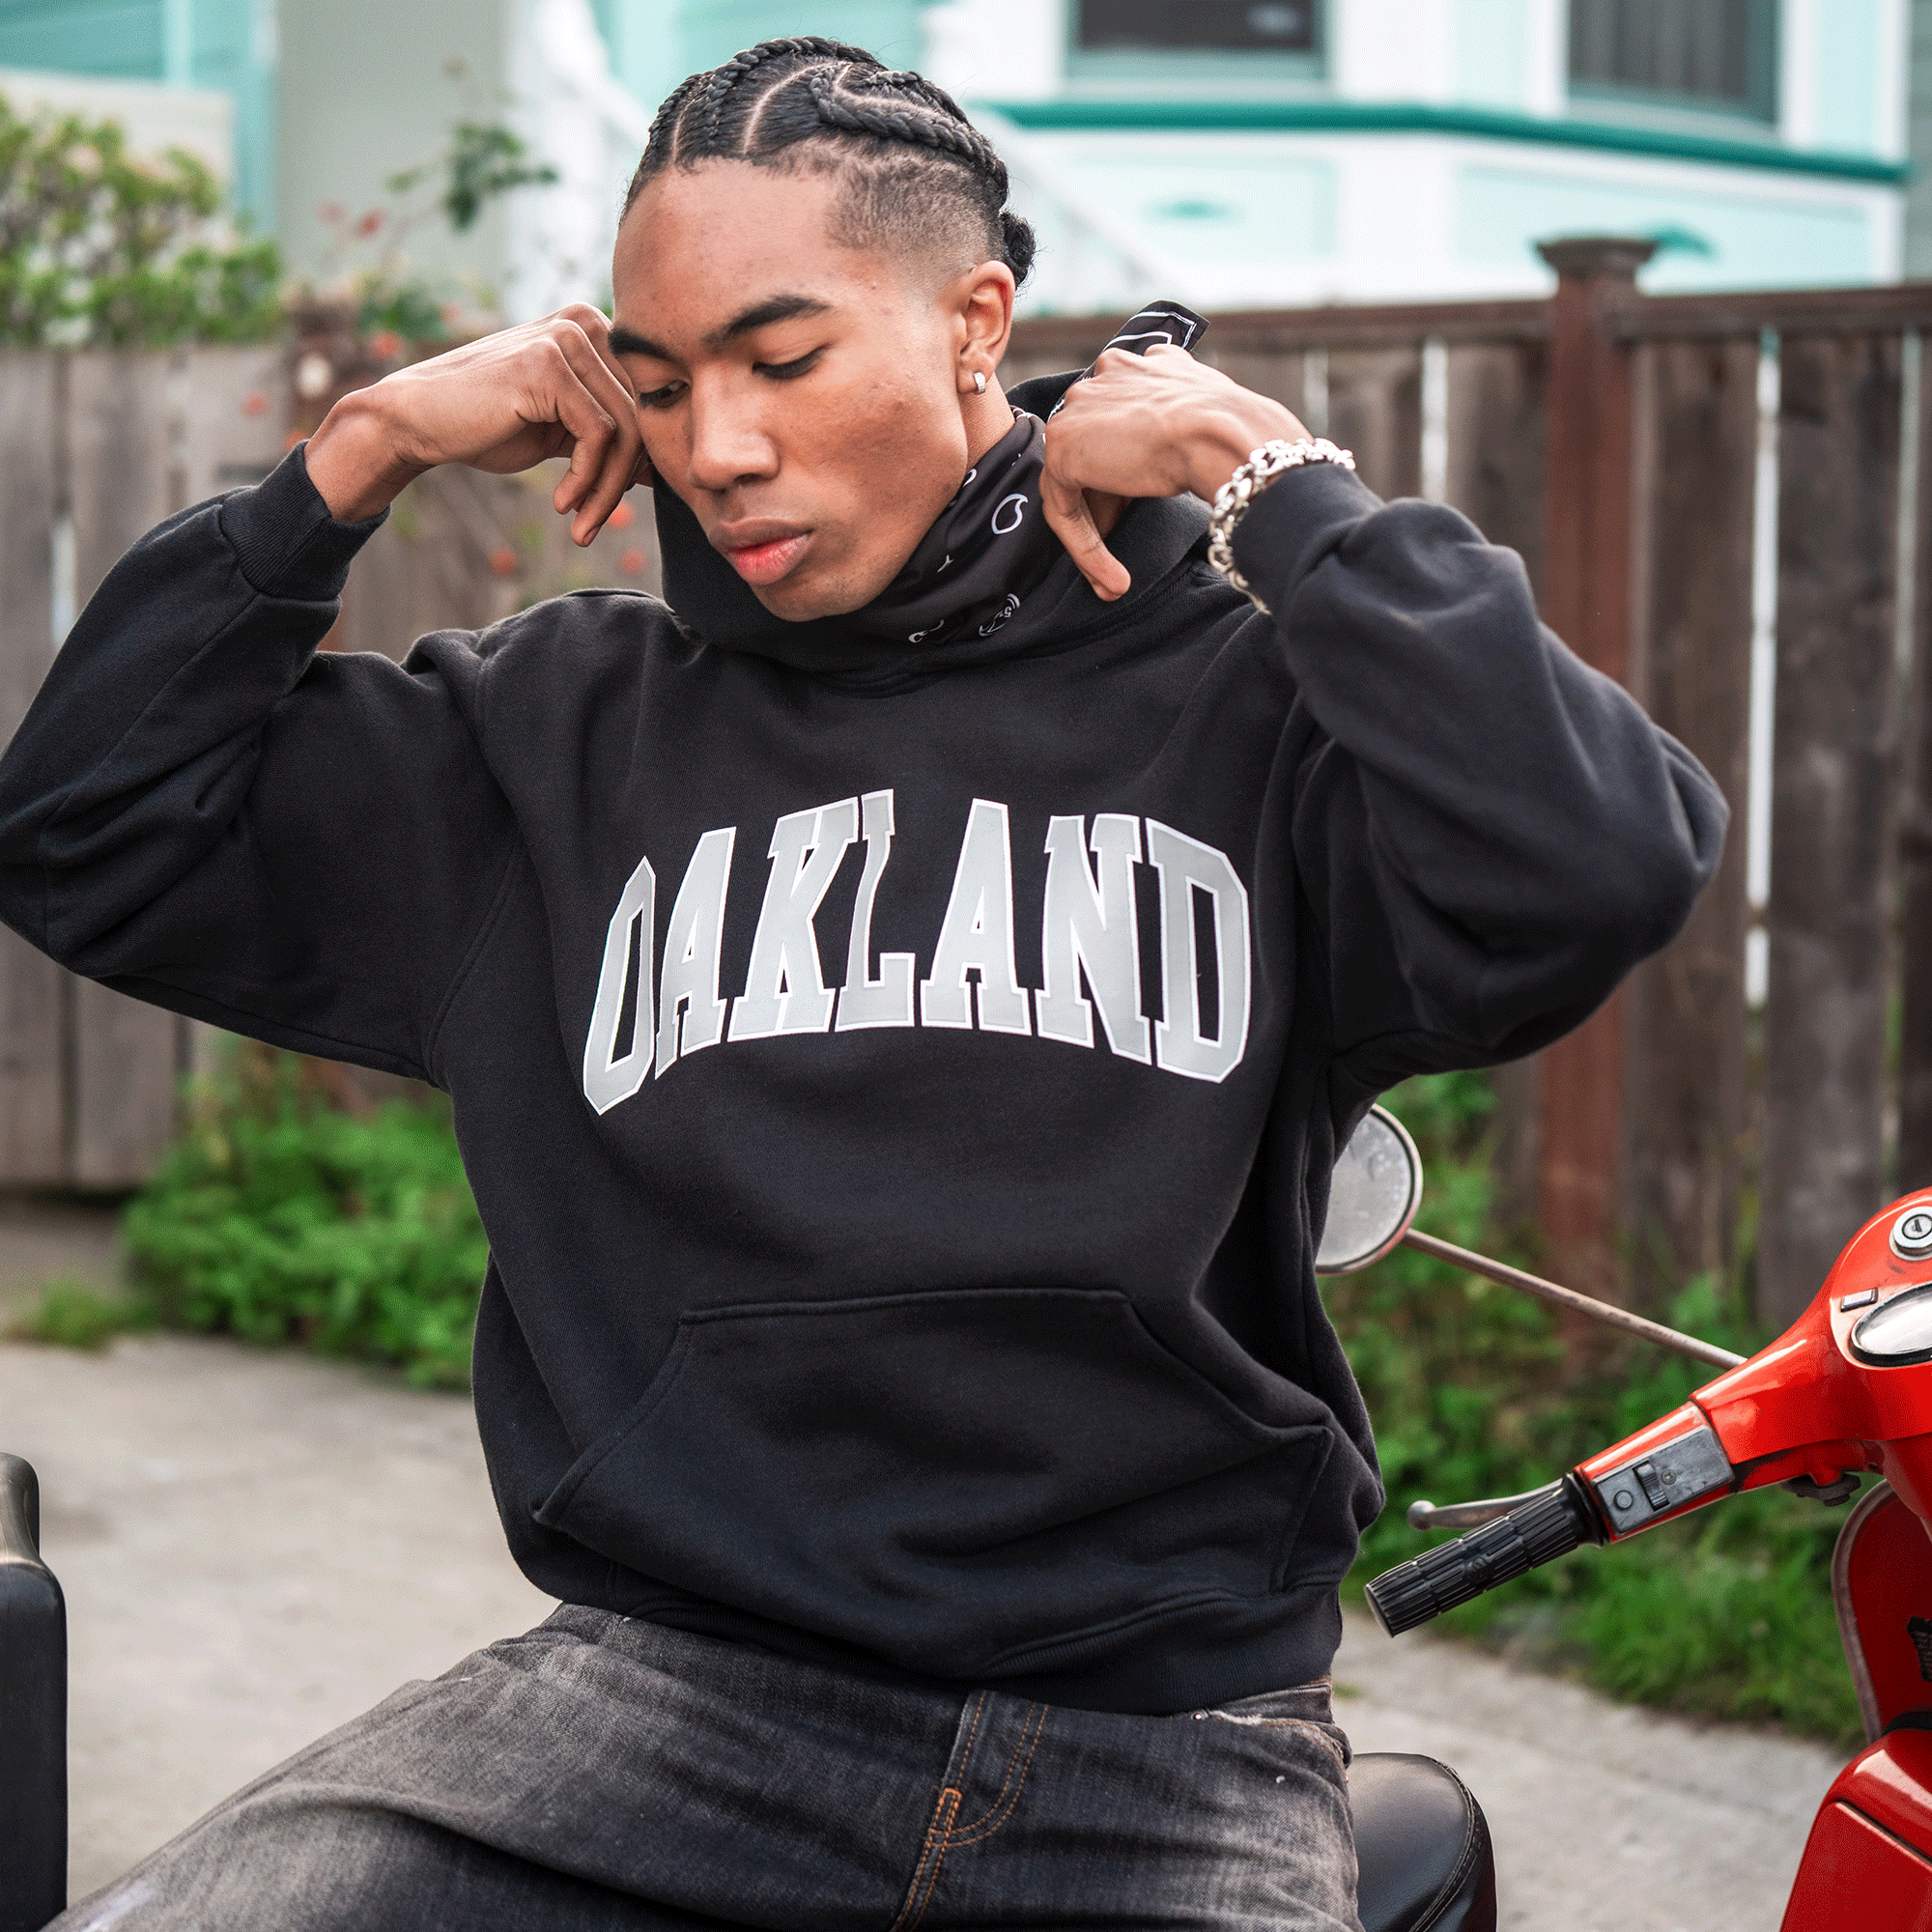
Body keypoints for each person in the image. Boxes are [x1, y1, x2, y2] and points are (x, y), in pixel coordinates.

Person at [1, 35, 1723, 1932]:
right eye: (656, 382)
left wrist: (1262, 472)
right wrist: (357, 455)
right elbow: (82, 828)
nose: (715, 445)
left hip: (1165, 1756)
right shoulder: (548, 738)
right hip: (657, 1717)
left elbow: (1601, 852)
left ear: (977, 320)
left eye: (782, 356)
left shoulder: (1245, 709)